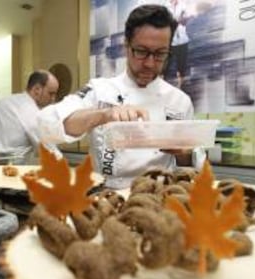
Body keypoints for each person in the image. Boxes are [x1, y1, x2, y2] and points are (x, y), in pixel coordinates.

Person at [38, 4, 204, 189]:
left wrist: (184, 154)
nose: (150, 63)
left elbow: (193, 167)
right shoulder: (99, 89)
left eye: (160, 54)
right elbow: (46, 123)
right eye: (141, 51)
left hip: (157, 201)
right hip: (104, 197)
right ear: (126, 45)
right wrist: (104, 115)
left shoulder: (180, 101)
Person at [0, 70, 59, 153]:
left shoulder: (3, 101)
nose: (53, 99)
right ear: (37, 90)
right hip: (13, 163)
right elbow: (48, 149)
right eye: (51, 93)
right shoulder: (32, 112)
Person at [164, 0, 190, 89]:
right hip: (170, 42)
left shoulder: (183, 5)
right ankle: (161, 87)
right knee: (165, 66)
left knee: (181, 66)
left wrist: (180, 20)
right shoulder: (165, 7)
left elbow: (185, 21)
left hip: (183, 40)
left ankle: (180, 87)